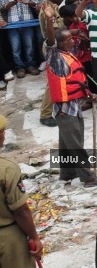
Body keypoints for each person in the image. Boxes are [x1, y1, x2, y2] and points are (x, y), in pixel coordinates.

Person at [46, 28, 97, 187]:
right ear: (60, 43)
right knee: (76, 145)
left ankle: (68, 173)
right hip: (65, 109)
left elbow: (76, 79)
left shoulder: (69, 55)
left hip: (73, 105)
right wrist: (48, 22)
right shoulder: (55, 58)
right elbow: (50, 43)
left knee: (66, 143)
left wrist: (88, 94)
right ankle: (88, 178)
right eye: (69, 40)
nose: (72, 41)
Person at [0, 114, 43, 267]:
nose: (4, 134)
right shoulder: (7, 169)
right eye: (2, 131)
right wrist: (34, 237)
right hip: (7, 238)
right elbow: (21, 211)